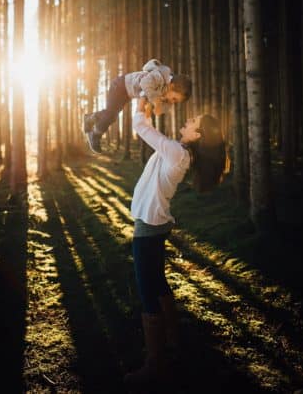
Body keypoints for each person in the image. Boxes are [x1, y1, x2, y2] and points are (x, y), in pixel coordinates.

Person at [124, 96, 226, 386]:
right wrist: (149, 108)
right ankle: (173, 341)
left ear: (198, 135)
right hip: (156, 223)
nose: (187, 120)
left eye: (193, 121)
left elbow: (140, 128)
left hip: (149, 225)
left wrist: (138, 102)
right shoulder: (180, 152)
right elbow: (155, 135)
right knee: (157, 282)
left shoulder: (178, 153)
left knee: (147, 292)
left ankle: (156, 366)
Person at [83, 58, 192, 153]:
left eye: (176, 102)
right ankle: (95, 134)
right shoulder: (160, 77)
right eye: (174, 98)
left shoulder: (165, 95)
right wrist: (155, 101)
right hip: (120, 85)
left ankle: (89, 118)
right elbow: (144, 84)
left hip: (127, 93)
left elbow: (158, 110)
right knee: (111, 115)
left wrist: (157, 108)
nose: (173, 102)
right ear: (171, 86)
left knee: (111, 114)